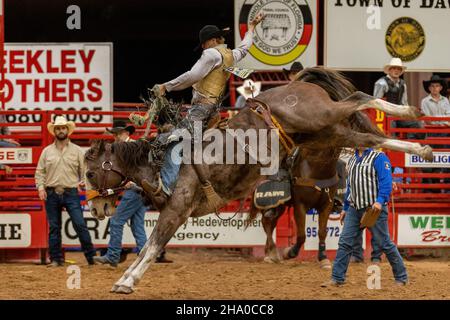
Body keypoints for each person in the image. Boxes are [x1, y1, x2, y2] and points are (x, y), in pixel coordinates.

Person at [141, 13, 265, 204]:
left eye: (204, 44)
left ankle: (165, 187)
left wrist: (167, 86)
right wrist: (252, 27)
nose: (203, 48)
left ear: (211, 41)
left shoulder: (210, 54)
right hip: (212, 110)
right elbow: (246, 46)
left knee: (176, 140)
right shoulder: (231, 55)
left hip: (200, 109)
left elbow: (193, 76)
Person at [321, 147, 408, 287]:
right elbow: (350, 186)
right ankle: (337, 278)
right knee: (345, 241)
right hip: (354, 208)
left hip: (373, 208)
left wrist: (380, 201)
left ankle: (401, 276)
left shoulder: (378, 157)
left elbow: (386, 181)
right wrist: (345, 208)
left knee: (384, 242)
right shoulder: (353, 159)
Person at [94, 120, 172, 267]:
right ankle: (145, 257)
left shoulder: (132, 148)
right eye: (114, 134)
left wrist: (134, 183)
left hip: (136, 190)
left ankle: (113, 255)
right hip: (141, 190)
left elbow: (144, 170)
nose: (115, 137)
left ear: (126, 133)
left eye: (118, 134)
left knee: (116, 221)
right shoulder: (131, 147)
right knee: (137, 224)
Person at [35, 116, 96, 267]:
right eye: (58, 128)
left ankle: (91, 258)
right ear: (54, 131)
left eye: (63, 128)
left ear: (67, 130)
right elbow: (40, 172)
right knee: (54, 227)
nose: (61, 130)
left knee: (80, 224)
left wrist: (84, 181)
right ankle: (56, 259)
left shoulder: (77, 151)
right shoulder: (46, 151)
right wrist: (41, 188)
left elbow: (85, 171)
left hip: (71, 192)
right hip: (51, 193)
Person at [373, 58, 422, 139]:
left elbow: (404, 102)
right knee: (391, 127)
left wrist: (408, 114)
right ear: (389, 70)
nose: (396, 71)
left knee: (416, 124)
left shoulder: (402, 84)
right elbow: (376, 102)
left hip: (399, 114)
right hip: (386, 115)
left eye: (399, 69)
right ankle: (392, 149)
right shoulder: (381, 83)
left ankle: (410, 146)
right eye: (394, 68)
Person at [420, 75, 450, 192]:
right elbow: (428, 119)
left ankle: (437, 187)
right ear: (429, 88)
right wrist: (442, 121)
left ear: (441, 87)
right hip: (431, 133)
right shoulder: (425, 101)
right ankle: (428, 187)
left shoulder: (445, 100)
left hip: (444, 134)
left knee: (442, 158)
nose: (434, 88)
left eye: (437, 86)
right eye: (432, 86)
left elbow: (448, 117)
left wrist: (437, 121)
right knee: (429, 158)